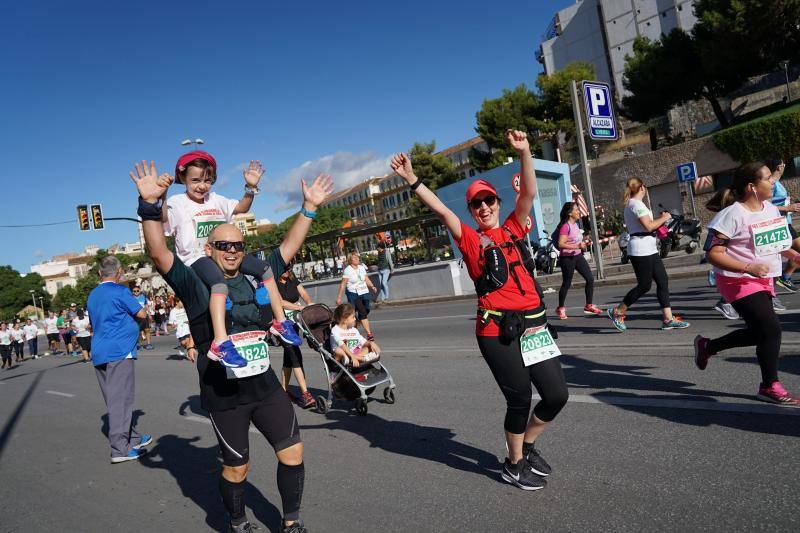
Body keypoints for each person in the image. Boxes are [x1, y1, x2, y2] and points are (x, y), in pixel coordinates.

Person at [132, 159, 333, 533]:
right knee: (238, 467)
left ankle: (291, 521)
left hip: (265, 386)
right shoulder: (196, 285)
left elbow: (289, 246)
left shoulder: (255, 277)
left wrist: (310, 208)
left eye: (237, 246)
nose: (230, 251)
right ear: (209, 248)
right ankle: (239, 522)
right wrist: (148, 207)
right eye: (222, 245)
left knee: (293, 452)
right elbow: (160, 253)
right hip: (224, 393)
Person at [391, 130, 568, 491]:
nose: (484, 207)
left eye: (489, 201)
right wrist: (412, 179)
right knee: (519, 397)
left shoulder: (515, 228)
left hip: (534, 327)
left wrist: (525, 152)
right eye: (476, 204)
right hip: (496, 331)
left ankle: (528, 446)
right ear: (470, 211)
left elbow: (529, 192)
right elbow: (440, 208)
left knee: (556, 395)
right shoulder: (471, 239)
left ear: (498, 204)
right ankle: (513, 464)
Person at [158, 153, 302, 366]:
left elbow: (242, 207)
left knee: (264, 269)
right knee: (218, 283)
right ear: (183, 180)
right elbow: (161, 219)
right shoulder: (177, 202)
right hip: (197, 258)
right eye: (195, 180)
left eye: (207, 180)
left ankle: (280, 322)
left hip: (225, 254)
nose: (202, 186)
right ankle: (220, 342)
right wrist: (162, 194)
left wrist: (250, 188)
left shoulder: (217, 200)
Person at [694, 162, 800, 405]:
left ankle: (708, 346)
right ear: (752, 187)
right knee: (771, 329)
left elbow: (777, 243)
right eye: (767, 178)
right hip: (737, 280)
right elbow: (712, 252)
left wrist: (793, 256)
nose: (773, 181)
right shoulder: (731, 215)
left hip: (763, 279)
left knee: (760, 332)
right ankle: (769, 386)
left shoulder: (771, 210)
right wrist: (748, 267)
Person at [87, 256, 153, 463]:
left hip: (100, 351)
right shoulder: (120, 291)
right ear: (120, 273)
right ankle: (120, 449)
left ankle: (132, 436)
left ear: (100, 273)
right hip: (119, 351)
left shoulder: (93, 295)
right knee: (121, 400)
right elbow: (141, 313)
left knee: (115, 398)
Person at [606, 178, 690, 332]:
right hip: (640, 249)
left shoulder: (636, 204)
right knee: (644, 285)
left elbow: (648, 226)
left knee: (662, 281)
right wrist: (664, 218)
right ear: (642, 187)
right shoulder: (635, 204)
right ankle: (617, 312)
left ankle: (668, 319)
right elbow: (649, 225)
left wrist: (660, 221)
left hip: (648, 247)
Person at [553, 202, 602, 319]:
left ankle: (588, 305)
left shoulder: (575, 225)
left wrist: (583, 242)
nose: (579, 212)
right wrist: (577, 246)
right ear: (570, 213)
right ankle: (560, 308)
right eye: (576, 210)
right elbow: (561, 244)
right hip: (567, 258)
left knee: (590, 278)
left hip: (578, 256)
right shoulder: (566, 226)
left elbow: (575, 240)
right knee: (567, 283)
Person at [276, 267, 316, 409]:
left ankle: (283, 391)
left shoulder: (292, 279)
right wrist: (297, 307)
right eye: (284, 268)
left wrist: (309, 303)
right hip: (282, 326)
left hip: (294, 322)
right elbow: (280, 302)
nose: (287, 271)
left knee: (289, 359)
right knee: (295, 356)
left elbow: (303, 293)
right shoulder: (273, 283)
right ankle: (305, 394)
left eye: (289, 268)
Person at [768, 157, 800, 293]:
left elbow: (778, 202)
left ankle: (784, 278)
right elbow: (765, 205)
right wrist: (787, 209)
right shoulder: (771, 183)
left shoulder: (777, 183)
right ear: (779, 167)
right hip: (779, 225)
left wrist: (790, 204)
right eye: (783, 164)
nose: (784, 166)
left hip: (785, 223)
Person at [335, 252, 378, 341]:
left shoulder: (362, 268)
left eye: (358, 258)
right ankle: (369, 334)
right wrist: (339, 297)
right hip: (353, 293)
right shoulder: (348, 270)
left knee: (366, 309)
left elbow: (366, 279)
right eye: (355, 258)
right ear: (351, 260)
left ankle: (357, 320)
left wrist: (372, 286)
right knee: (362, 312)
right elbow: (343, 284)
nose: (358, 259)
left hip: (364, 292)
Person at [168, 298, 197, 362]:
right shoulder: (173, 311)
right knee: (184, 343)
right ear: (177, 302)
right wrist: (173, 325)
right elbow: (170, 324)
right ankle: (182, 346)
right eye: (181, 302)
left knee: (188, 342)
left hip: (187, 329)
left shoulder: (185, 309)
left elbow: (190, 318)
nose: (183, 303)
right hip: (180, 331)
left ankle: (189, 355)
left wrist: (189, 321)